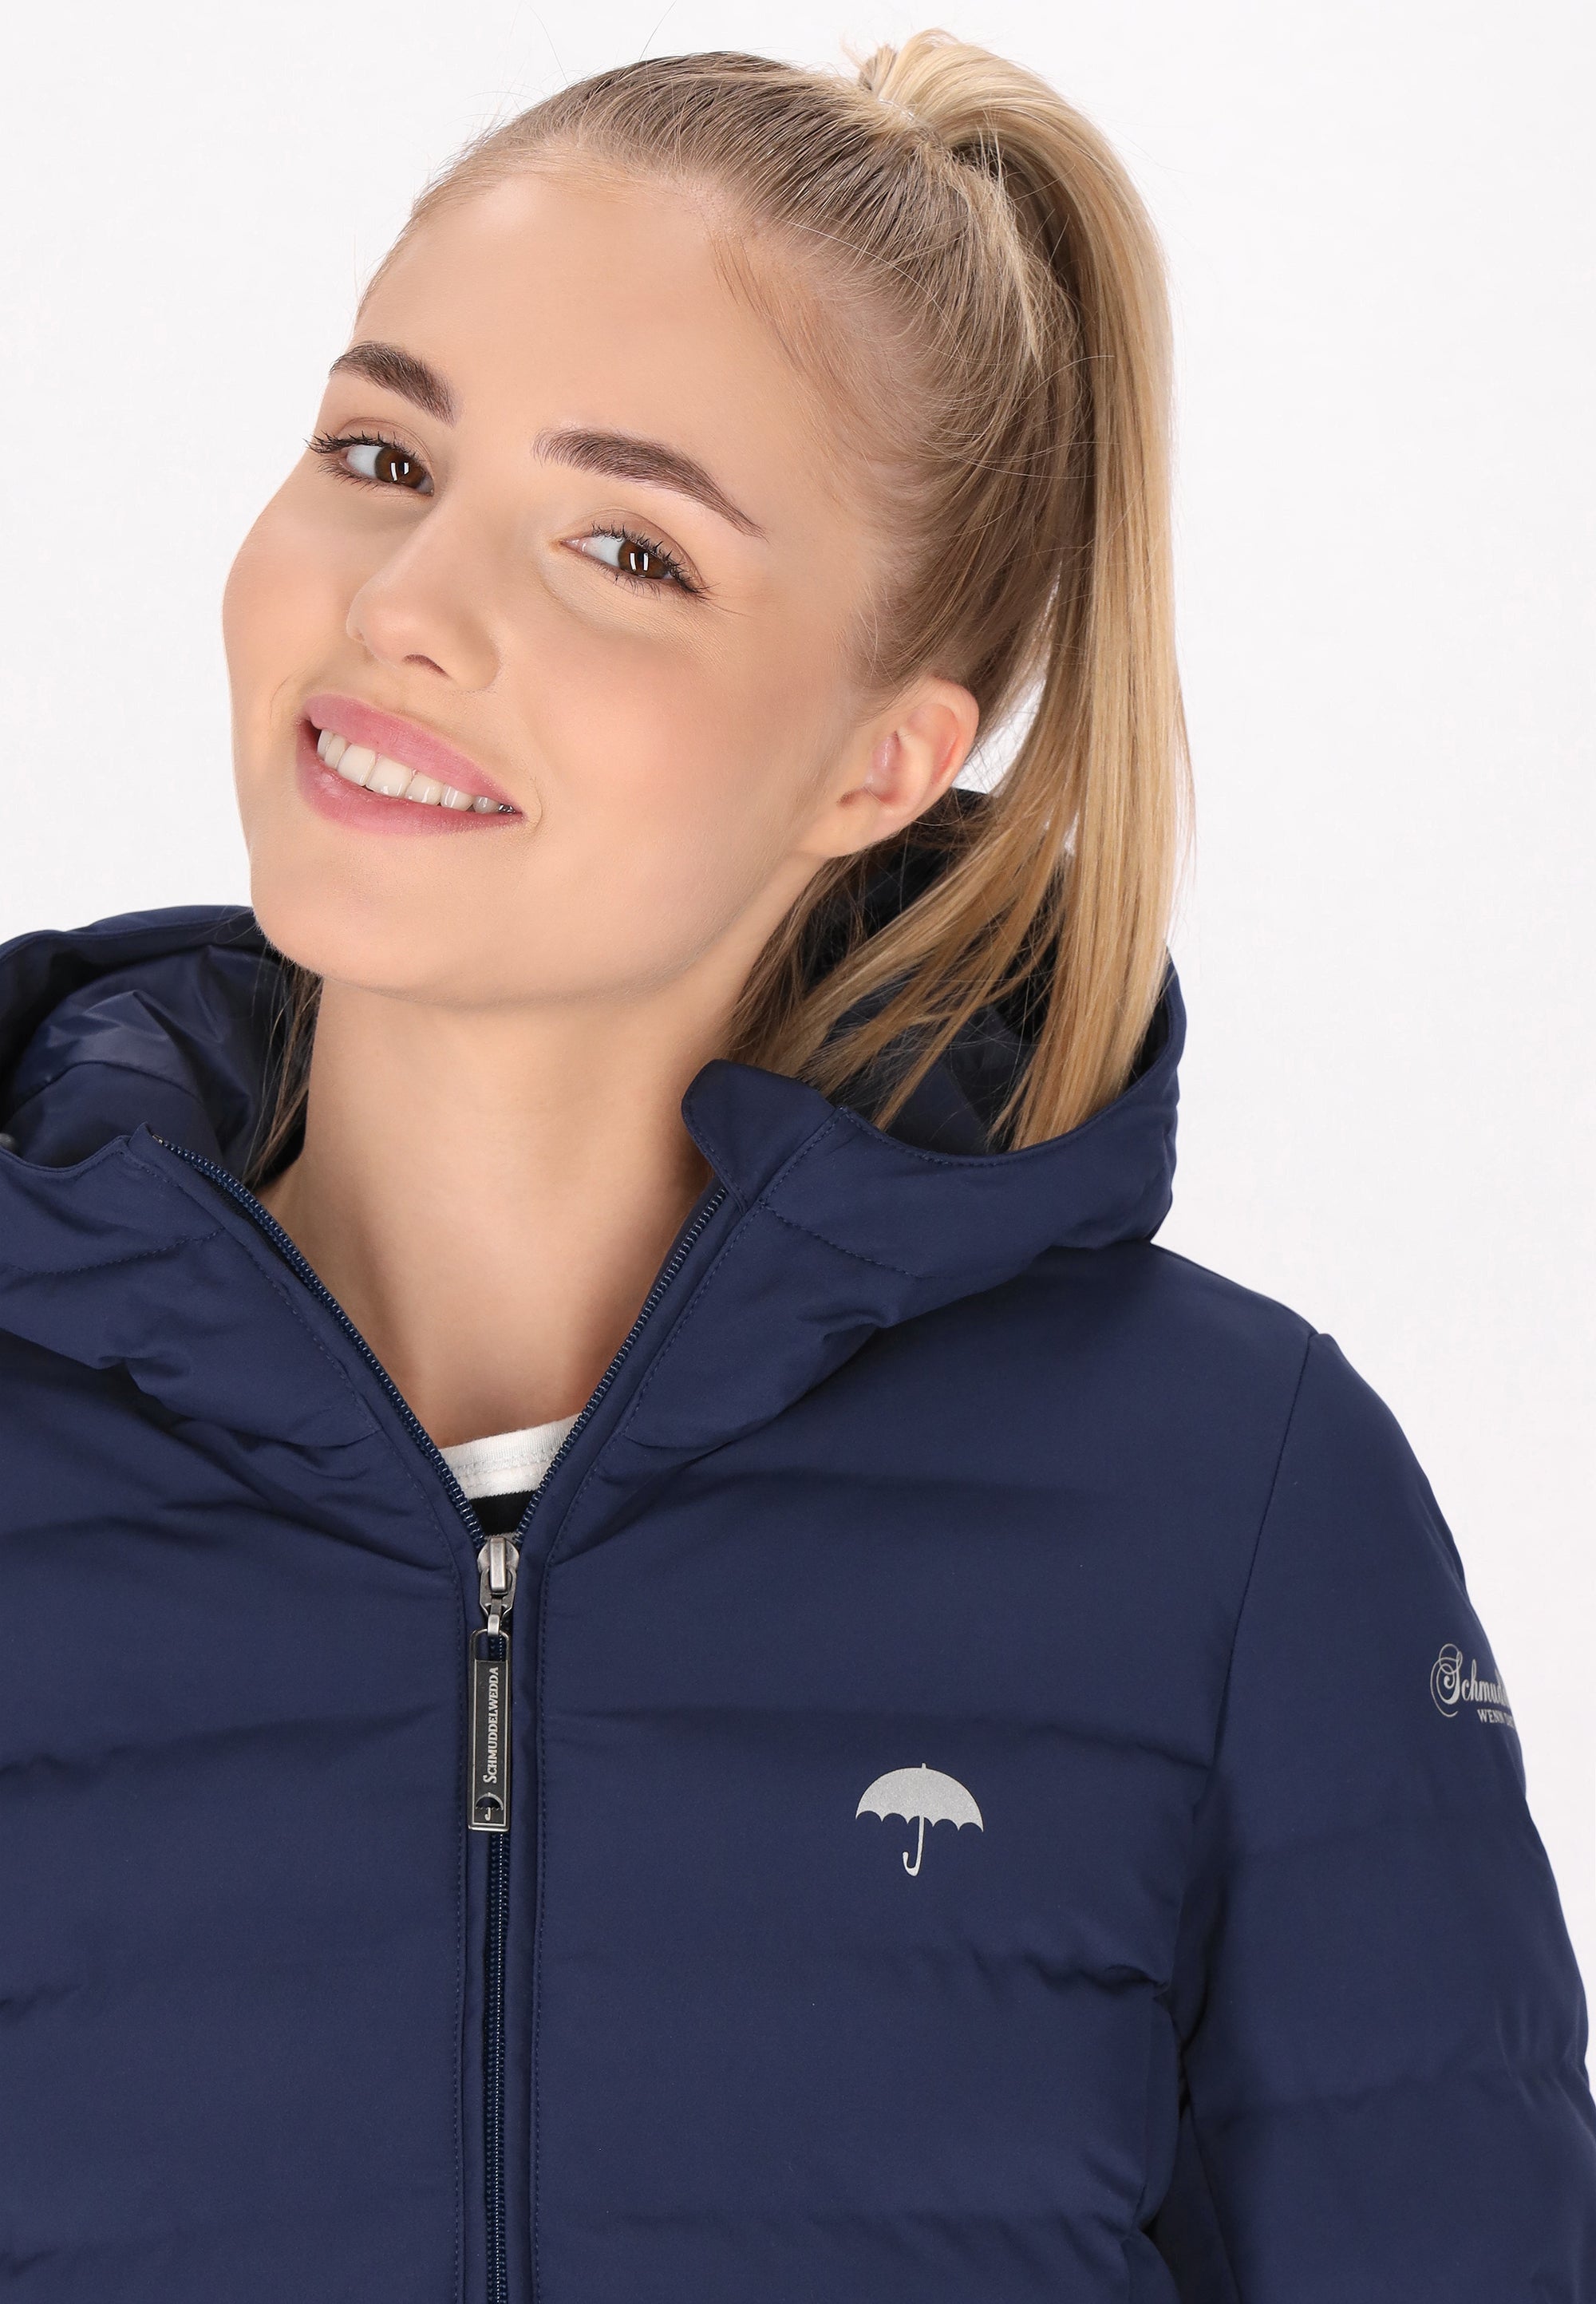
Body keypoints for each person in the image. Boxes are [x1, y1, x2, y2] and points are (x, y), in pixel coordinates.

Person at [0, 32, 1590, 2304]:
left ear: (883, 759)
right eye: (381, 453)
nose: (405, 602)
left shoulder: (1234, 1513)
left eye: (625, 548)